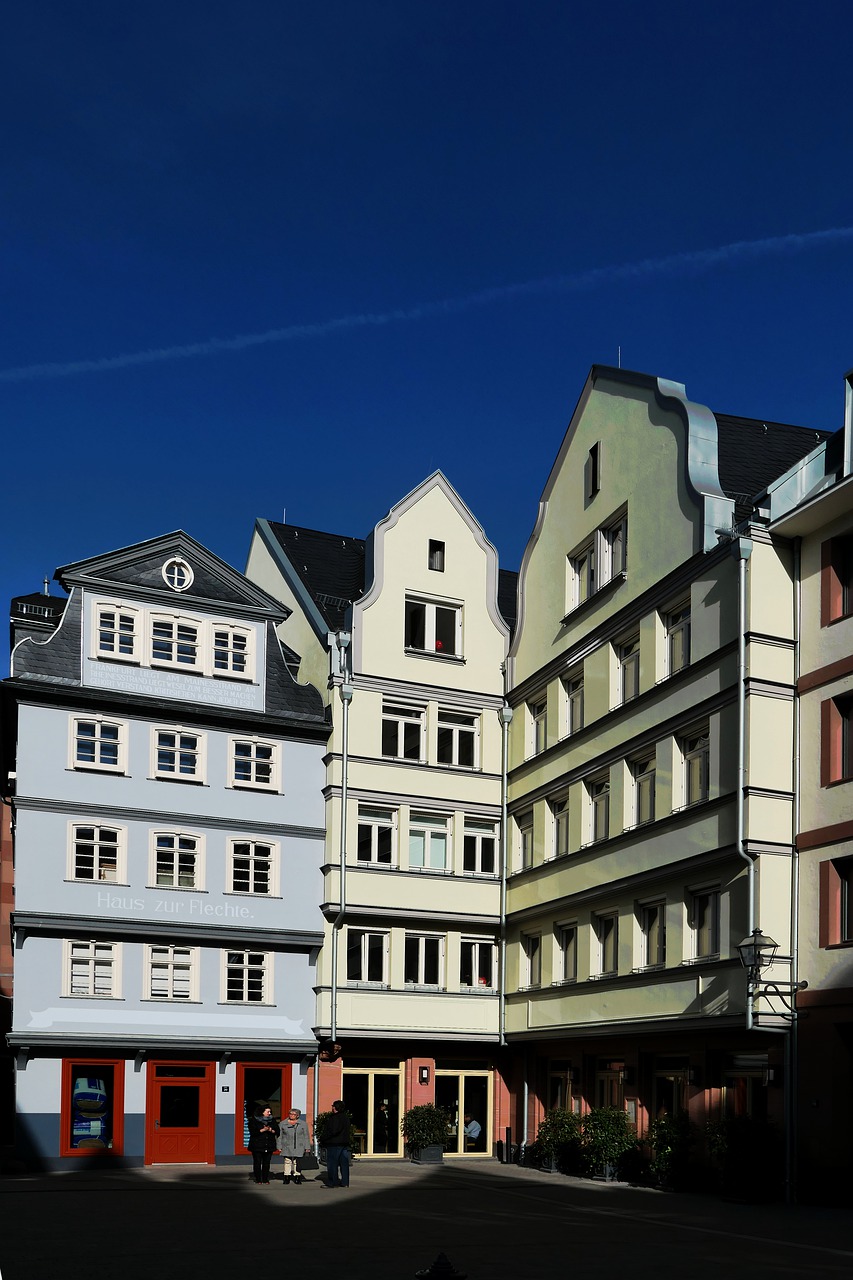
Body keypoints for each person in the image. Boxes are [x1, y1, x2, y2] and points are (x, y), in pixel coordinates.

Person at [247, 1104, 280, 1184]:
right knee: (257, 1162)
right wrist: (262, 1130)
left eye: (270, 1111)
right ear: (262, 1112)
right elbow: (253, 1132)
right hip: (257, 1145)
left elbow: (277, 1131)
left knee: (266, 1163)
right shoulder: (253, 1120)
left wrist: (271, 1130)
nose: (269, 1113)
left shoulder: (272, 1120)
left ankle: (265, 1179)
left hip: (269, 1144)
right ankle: (258, 1179)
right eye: (267, 1111)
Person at [322, 1099, 350, 1187]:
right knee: (344, 1164)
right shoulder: (345, 1117)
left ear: (335, 1107)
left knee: (332, 1163)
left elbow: (333, 1131)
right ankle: (345, 1182)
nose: (332, 1108)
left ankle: (332, 1182)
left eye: (333, 1106)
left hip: (334, 1143)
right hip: (344, 1143)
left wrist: (323, 1138)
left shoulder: (334, 1118)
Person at [279, 1106, 310, 1185]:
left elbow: (306, 1136)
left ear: (298, 1116)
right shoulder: (283, 1123)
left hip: (299, 1145)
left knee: (297, 1162)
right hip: (287, 1145)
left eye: (294, 1114)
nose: (291, 1115)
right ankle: (287, 1178)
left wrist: (307, 1147)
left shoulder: (303, 1124)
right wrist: (279, 1146)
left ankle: (297, 1177)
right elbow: (280, 1136)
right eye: (290, 1114)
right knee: (287, 1161)